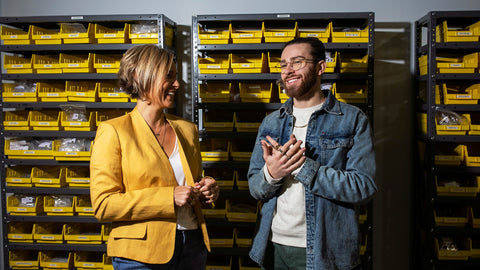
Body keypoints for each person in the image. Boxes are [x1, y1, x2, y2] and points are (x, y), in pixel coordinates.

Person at [247, 37, 377, 270]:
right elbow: (255, 188)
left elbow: (363, 187)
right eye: (284, 64)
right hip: (273, 246)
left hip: (327, 251)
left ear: (320, 67)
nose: (288, 70)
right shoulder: (271, 123)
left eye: (297, 62)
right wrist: (272, 174)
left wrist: (301, 168)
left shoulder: (353, 119)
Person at [90, 44, 219, 270]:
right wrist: (168, 197)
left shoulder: (187, 130)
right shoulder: (114, 131)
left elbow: (191, 184)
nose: (177, 84)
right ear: (142, 77)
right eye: (169, 76)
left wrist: (206, 189)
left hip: (193, 246)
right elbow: (103, 204)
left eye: (176, 77)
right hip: (140, 255)